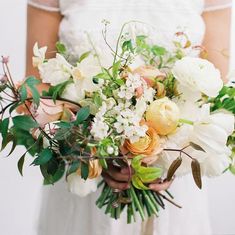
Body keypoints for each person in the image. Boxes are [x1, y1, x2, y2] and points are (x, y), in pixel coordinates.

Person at [26, 1, 232, 234]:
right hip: (84, 176)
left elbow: (215, 89)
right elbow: (35, 91)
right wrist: (93, 149)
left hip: (175, 179)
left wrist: (166, 155)